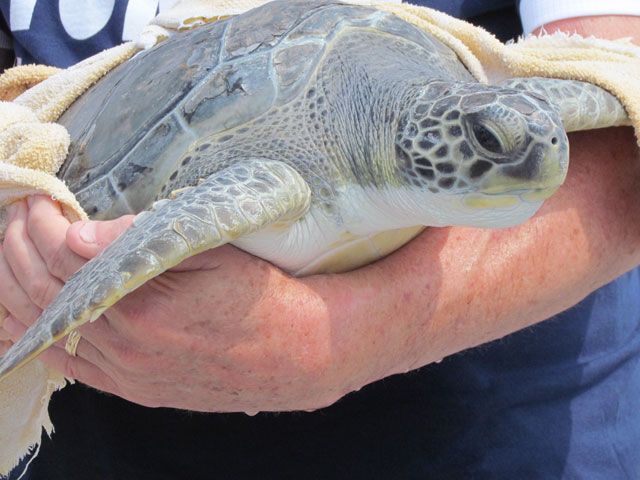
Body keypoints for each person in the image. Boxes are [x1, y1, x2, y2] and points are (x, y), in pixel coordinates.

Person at [1, 0, 639, 478]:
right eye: (491, 145)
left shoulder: (283, 180)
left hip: (478, 442)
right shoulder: (277, 179)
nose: (539, 167)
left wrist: (368, 327)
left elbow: (624, 103)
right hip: (90, 447)